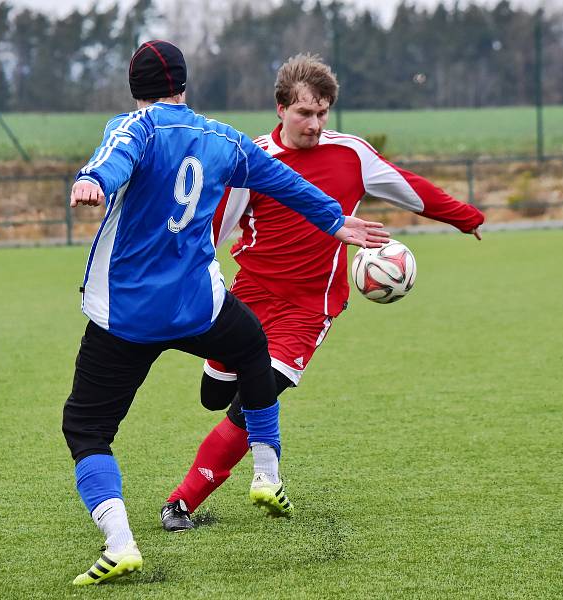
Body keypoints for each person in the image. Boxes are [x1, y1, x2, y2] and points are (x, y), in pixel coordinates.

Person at [63, 41, 389, 586]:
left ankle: (119, 542)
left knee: (87, 428)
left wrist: (92, 180)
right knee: (253, 347)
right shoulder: (223, 139)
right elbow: (282, 180)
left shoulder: (137, 126)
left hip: (126, 315)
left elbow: (113, 158)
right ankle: (266, 471)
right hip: (197, 306)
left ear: (134, 89)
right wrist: (334, 220)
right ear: (184, 87)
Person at [160, 53, 485, 532]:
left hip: (312, 307)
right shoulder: (252, 161)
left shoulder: (351, 154)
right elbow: (211, 230)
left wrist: (464, 216)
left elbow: (408, 187)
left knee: (258, 396)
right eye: (304, 113)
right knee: (213, 395)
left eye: (322, 113)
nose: (314, 124)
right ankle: (233, 468)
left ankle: (182, 503)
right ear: (280, 109)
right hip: (248, 297)